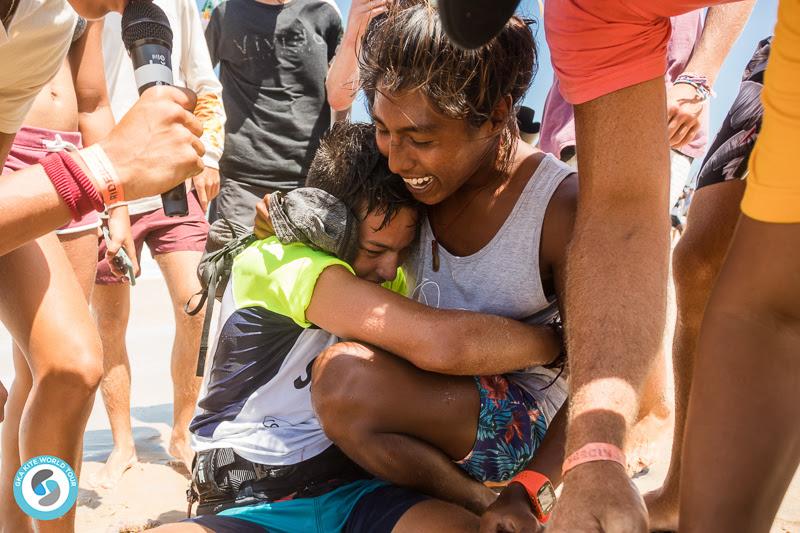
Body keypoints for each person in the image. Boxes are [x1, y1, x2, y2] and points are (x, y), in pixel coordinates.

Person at [440, 1, 799, 531]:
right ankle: (679, 496)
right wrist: (595, 453)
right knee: (711, 267)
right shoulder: (588, 8)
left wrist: (698, 77)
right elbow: (622, 210)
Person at [255, 4, 576, 518]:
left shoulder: (558, 207)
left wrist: (531, 488)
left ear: (496, 115)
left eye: (420, 140)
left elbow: (595, 374)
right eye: (383, 130)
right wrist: (291, 220)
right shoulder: (399, 184)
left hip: (517, 428)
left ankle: (484, 503)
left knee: (345, 381)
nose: (398, 160)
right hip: (408, 395)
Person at [154, 122, 516, 532]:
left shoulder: (383, 275)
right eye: (375, 250)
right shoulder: (276, 260)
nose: (391, 268)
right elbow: (442, 343)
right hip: (247, 499)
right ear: (323, 223)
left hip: (355, 489)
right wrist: (557, 341)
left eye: (402, 251)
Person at [0, 0, 205, 530]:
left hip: (57, 167)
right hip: (37, 172)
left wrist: (113, 199)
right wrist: (103, 171)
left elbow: (91, 100)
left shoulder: (71, 13)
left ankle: (32, 522)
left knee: (68, 369)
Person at [0, 17, 135, 531]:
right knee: (70, 369)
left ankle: (20, 524)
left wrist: (118, 209)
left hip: (73, 166)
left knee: (44, 378)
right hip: (11, 156)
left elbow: (95, 101)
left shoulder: (82, 8)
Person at [90, 0, 225, 488]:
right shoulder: (83, 9)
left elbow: (203, 81)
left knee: (196, 303)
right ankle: (123, 442)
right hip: (104, 177)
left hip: (173, 179)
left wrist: (208, 154)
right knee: (109, 321)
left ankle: (182, 432)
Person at [204, 0, 343, 228]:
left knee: (308, 264)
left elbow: (343, 93)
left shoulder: (326, 10)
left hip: (310, 183)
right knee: (235, 264)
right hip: (240, 184)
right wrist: (204, 158)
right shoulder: (222, 11)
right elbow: (194, 78)